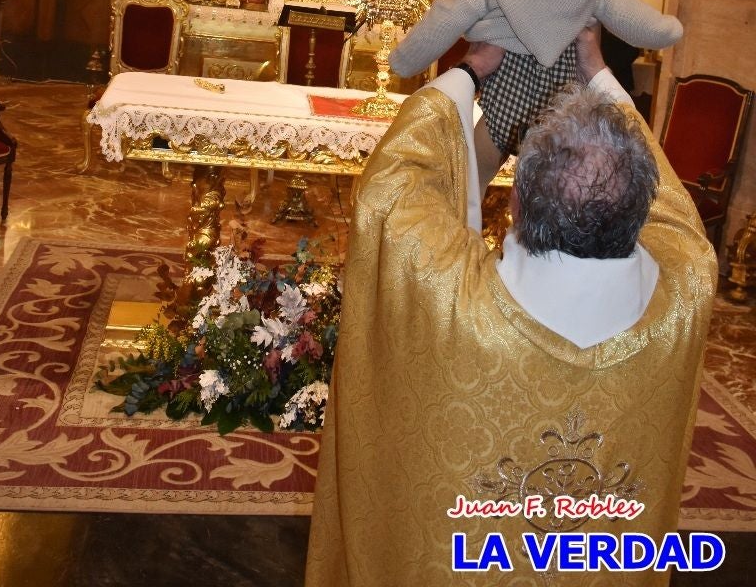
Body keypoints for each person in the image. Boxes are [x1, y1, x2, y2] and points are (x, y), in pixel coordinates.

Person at [305, 32, 717, 587]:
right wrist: (597, 71)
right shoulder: (686, 290)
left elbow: (392, 189)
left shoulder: (446, 293)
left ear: (517, 200)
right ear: (640, 209)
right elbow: (677, 213)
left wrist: (472, 69)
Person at [389, 0, 682, 183]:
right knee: (554, 188)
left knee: (466, 184)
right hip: (565, 106)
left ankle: (467, 225)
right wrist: (672, 29)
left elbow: (443, 20)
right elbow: (640, 23)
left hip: (503, 105)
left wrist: (402, 62)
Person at [600, 0, 640, 93]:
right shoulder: (596, 7)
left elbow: (634, 49)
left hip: (621, 80)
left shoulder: (633, 10)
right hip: (596, 79)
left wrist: (610, 67)